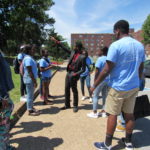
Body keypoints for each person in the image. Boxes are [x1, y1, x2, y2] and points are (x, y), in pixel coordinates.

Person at [90, 20, 145, 150]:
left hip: (118, 87)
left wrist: (94, 85)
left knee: (112, 114)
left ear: (117, 30)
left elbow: (106, 69)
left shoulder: (116, 45)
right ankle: (129, 143)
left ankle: (107, 145)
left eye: (114, 31)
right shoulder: (139, 45)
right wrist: (140, 80)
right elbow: (141, 67)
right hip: (133, 86)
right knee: (130, 115)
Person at [50, 37, 86, 112]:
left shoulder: (82, 57)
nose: (74, 47)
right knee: (66, 89)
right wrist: (57, 42)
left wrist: (76, 74)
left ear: (78, 47)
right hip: (68, 73)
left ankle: (75, 105)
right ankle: (67, 105)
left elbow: (83, 69)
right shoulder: (72, 52)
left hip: (74, 74)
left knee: (74, 90)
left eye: (75, 46)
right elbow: (64, 48)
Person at [87, 46, 108, 118]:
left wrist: (95, 81)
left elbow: (97, 71)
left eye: (98, 51)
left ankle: (94, 112)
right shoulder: (108, 58)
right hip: (107, 80)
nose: (97, 52)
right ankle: (104, 111)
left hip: (100, 80)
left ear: (102, 51)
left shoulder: (100, 59)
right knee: (104, 96)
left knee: (95, 95)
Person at [0, 50, 15, 149]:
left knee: (4, 125)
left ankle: (5, 146)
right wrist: (2, 97)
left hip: (3, 95)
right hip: (2, 97)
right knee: (2, 125)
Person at [22, 44, 40, 116]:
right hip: (30, 80)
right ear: (29, 50)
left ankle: (31, 107)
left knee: (31, 95)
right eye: (33, 49)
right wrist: (35, 81)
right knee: (30, 95)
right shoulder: (28, 59)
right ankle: (30, 111)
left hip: (31, 79)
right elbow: (30, 71)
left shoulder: (29, 57)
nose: (34, 51)